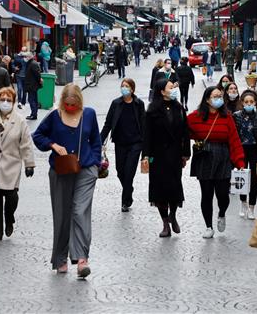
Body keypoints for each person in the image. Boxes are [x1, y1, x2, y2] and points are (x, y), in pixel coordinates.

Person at [33, 84, 102, 278]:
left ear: (80, 102)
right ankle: (61, 259)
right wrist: (53, 145)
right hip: (61, 170)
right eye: (67, 104)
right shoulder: (55, 116)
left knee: (80, 211)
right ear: (63, 102)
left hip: (86, 169)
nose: (71, 107)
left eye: (74, 104)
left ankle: (81, 259)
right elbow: (37, 136)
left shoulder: (89, 114)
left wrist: (96, 163)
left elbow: (96, 141)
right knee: (62, 216)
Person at [0, 87, 35, 242]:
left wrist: (29, 164)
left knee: (12, 198)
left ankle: (9, 217)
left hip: (12, 165)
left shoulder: (20, 121)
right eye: (2, 99)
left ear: (13, 101)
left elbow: (26, 143)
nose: (5, 102)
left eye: (8, 100)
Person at [187, 86, 245, 239]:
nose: (218, 98)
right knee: (206, 194)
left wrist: (239, 162)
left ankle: (221, 213)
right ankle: (208, 226)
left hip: (223, 158)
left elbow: (234, 140)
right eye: (215, 96)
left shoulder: (227, 117)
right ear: (207, 99)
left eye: (220, 96)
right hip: (204, 157)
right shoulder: (195, 117)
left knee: (223, 195)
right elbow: (184, 131)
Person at [142, 78, 190, 237]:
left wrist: (185, 153)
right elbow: (147, 135)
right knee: (159, 190)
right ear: (162, 91)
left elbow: (185, 132)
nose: (174, 88)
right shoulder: (152, 111)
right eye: (171, 87)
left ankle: (173, 215)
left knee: (174, 188)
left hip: (175, 155)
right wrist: (146, 155)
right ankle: (165, 223)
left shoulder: (179, 108)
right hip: (158, 156)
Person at [100, 78, 146, 212]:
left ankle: (125, 201)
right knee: (120, 171)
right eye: (122, 86)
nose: (124, 88)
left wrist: (146, 146)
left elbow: (144, 125)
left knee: (129, 172)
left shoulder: (139, 104)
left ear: (132, 89)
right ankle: (129, 188)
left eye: (127, 86)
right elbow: (108, 124)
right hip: (120, 143)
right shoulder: (116, 104)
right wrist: (98, 141)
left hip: (135, 144)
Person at [233, 90, 257, 219]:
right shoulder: (236, 116)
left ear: (255, 103)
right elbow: (233, 134)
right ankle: (243, 203)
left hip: (255, 150)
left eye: (251, 102)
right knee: (242, 177)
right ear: (242, 103)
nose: (249, 104)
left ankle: (252, 207)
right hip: (241, 150)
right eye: (246, 102)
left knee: (254, 180)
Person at [24, 55, 42, 120]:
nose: (25, 58)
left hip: (32, 85)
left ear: (29, 57)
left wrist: (39, 79)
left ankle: (34, 114)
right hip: (32, 85)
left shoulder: (32, 64)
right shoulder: (31, 63)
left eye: (25, 56)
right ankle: (33, 114)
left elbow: (37, 74)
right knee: (33, 99)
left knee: (32, 100)